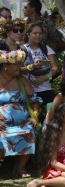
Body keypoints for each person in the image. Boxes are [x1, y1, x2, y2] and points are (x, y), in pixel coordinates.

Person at [0, 49, 41, 178]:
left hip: (22, 123)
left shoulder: (22, 81)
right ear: (6, 66)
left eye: (20, 64)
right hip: (2, 125)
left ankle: (21, 167)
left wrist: (35, 116)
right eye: (16, 64)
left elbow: (35, 101)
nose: (20, 67)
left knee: (29, 131)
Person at [21, 22, 59, 105]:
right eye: (35, 33)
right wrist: (32, 67)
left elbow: (55, 68)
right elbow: (18, 70)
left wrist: (45, 77)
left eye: (40, 33)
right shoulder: (22, 50)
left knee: (51, 113)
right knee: (34, 115)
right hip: (29, 91)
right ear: (28, 34)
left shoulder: (46, 48)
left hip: (46, 89)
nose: (38, 35)